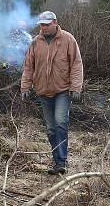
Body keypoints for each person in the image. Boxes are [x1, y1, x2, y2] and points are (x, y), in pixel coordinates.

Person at [20, 11, 83, 175]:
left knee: (60, 122)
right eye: (42, 25)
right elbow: (28, 67)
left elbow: (76, 64)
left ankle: (62, 161)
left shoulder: (68, 39)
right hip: (43, 91)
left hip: (62, 90)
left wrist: (76, 87)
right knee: (50, 129)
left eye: (47, 24)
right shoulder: (35, 43)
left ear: (55, 22)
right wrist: (25, 87)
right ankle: (57, 161)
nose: (44, 27)